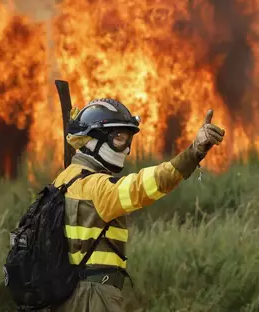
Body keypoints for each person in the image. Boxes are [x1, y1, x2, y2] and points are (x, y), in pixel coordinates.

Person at [52, 98, 225, 311]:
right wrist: (194, 152)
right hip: (93, 298)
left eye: (128, 140)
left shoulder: (62, 180)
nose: (126, 149)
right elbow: (144, 185)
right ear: (92, 139)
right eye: (119, 139)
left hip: (67, 295)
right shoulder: (96, 187)